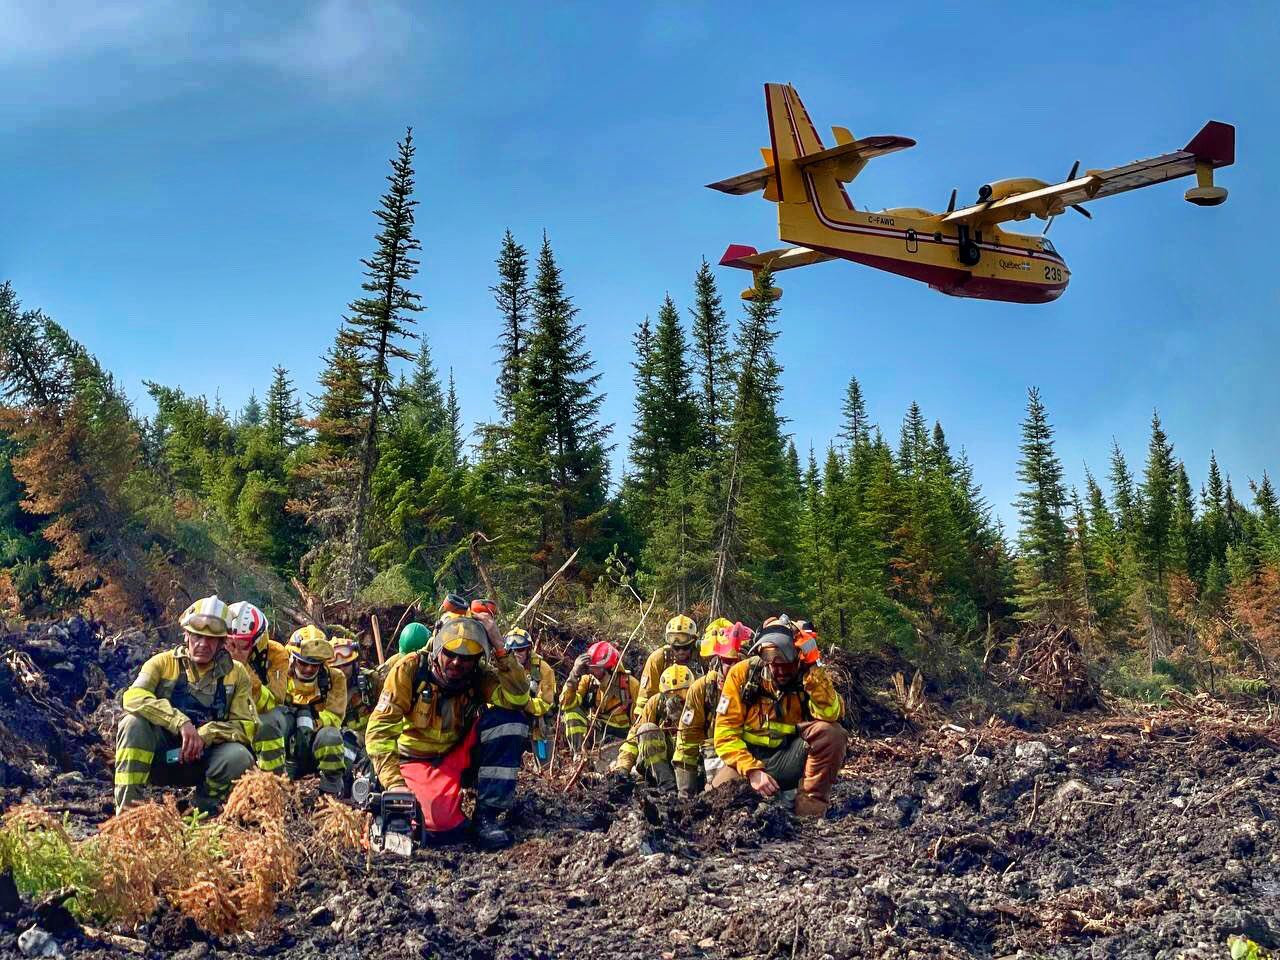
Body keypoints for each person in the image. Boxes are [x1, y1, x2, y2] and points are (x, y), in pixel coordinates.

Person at [365, 613, 530, 850]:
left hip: (457, 755)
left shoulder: (478, 676)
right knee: (437, 828)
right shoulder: (410, 670)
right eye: (450, 654)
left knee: (510, 720)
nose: (456, 663)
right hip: (415, 760)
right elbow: (379, 732)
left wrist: (500, 647)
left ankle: (487, 817)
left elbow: (518, 698)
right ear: (437, 649)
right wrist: (395, 785)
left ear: (476, 660)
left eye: (465, 658)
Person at [114, 595, 256, 815]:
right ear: (186, 635)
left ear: (222, 643)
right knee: (132, 724)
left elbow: (247, 727)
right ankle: (128, 814)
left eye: (211, 639)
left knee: (239, 757)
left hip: (203, 762)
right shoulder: (162, 663)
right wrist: (180, 722)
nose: (202, 644)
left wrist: (208, 734)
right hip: (161, 758)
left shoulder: (236, 674)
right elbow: (132, 697)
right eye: (197, 636)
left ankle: (204, 812)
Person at [712, 618, 847, 817]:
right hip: (749, 761)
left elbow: (830, 714)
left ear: (799, 658)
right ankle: (772, 797)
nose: (780, 671)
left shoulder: (809, 676)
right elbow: (724, 735)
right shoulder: (743, 674)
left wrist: (813, 670)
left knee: (832, 733)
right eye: (774, 664)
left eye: (787, 664)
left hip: (790, 758)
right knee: (714, 802)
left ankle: (809, 813)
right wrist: (752, 771)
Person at [255, 625, 349, 795]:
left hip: (315, 740)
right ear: (293, 658)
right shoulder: (280, 671)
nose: (308, 669)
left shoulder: (334, 678)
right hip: (285, 741)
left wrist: (313, 724)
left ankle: (331, 791)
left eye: (315, 665)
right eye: (304, 663)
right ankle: (272, 786)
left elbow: (335, 716)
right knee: (268, 724)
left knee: (332, 736)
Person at [673, 621, 751, 797]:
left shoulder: (760, 688)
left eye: (737, 661)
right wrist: (685, 791)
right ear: (719, 660)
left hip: (753, 759)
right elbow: (687, 740)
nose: (732, 667)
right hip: (714, 757)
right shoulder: (702, 689)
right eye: (727, 661)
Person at [225, 600, 291, 773]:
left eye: (244, 644)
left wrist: (242, 666)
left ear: (258, 642)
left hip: (266, 713)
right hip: (231, 712)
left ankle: (274, 780)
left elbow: (275, 700)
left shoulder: (277, 654)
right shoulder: (217, 651)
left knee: (266, 724)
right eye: (229, 642)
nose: (235, 649)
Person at [610, 664, 695, 791]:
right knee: (647, 729)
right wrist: (623, 767)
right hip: (660, 763)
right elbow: (634, 737)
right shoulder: (656, 703)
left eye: (682, 695)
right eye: (671, 695)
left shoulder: (698, 702)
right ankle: (667, 786)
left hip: (690, 762)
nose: (676, 700)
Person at [559, 640, 640, 763]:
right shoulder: (588, 681)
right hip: (594, 732)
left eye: (596, 668)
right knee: (572, 712)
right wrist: (574, 674)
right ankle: (579, 757)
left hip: (619, 738)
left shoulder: (630, 685)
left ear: (609, 668)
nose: (592, 671)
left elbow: (638, 721)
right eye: (590, 668)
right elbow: (566, 704)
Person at [329, 631, 378, 782]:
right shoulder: (325, 689)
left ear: (354, 663)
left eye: (345, 665)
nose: (341, 671)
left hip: (371, 741)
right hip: (342, 742)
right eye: (336, 667)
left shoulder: (372, 682)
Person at [503, 627, 557, 763]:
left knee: (544, 765)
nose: (516, 654)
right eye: (512, 651)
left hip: (538, 723)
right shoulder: (503, 669)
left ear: (528, 649)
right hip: (511, 721)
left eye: (520, 650)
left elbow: (545, 703)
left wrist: (522, 702)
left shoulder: (543, 669)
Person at [635, 615, 703, 714]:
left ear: (694, 643)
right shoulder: (658, 659)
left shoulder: (702, 658)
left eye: (686, 647)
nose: (681, 652)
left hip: (693, 709)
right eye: (676, 648)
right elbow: (646, 696)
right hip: (664, 711)